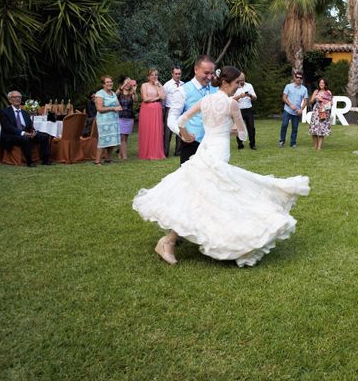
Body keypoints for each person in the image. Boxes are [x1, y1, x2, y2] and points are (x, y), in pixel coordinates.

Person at [133, 66, 310, 267]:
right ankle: (172, 241)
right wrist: (231, 129)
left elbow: (181, 119)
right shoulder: (231, 105)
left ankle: (180, 240)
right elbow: (242, 134)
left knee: (202, 195)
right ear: (227, 82)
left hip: (205, 150)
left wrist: (185, 134)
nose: (238, 88)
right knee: (211, 195)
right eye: (237, 84)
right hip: (217, 152)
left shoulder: (205, 100)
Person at [168, 55, 217, 164]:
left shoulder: (217, 89)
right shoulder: (182, 91)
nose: (209, 77)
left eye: (211, 73)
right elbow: (172, 118)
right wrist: (182, 133)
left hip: (214, 144)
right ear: (196, 70)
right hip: (192, 145)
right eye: (206, 73)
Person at [0, 90, 52, 167]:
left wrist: (33, 131)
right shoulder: (4, 112)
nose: (18, 99)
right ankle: (29, 162)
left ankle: (45, 160)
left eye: (19, 97)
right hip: (11, 135)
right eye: (15, 97)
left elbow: (30, 125)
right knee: (25, 138)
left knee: (45, 136)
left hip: (26, 133)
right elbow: (7, 127)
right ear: (10, 100)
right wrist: (23, 133)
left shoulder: (25, 113)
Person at [138, 68, 166, 160]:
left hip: (157, 109)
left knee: (157, 129)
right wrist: (157, 97)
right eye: (152, 75)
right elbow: (145, 99)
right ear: (148, 77)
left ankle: (157, 152)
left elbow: (164, 97)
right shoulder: (144, 85)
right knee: (147, 129)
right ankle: (147, 153)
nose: (154, 77)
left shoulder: (159, 85)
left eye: (156, 75)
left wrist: (158, 87)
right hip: (147, 109)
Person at [94, 76, 121, 165]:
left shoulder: (113, 93)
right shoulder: (100, 94)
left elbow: (118, 104)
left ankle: (108, 159)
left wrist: (119, 107)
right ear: (103, 84)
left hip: (114, 120)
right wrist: (113, 108)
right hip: (104, 121)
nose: (110, 83)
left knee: (113, 139)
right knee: (103, 139)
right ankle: (97, 161)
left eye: (111, 81)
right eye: (107, 82)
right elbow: (99, 108)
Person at [280, 71, 308, 148]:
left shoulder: (304, 89)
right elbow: (284, 98)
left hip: (297, 112)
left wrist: (301, 109)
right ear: (294, 78)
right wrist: (290, 105)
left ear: (302, 79)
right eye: (297, 77)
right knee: (284, 125)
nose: (299, 79)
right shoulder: (288, 86)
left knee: (295, 128)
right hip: (287, 110)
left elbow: (305, 101)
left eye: (300, 78)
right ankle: (282, 141)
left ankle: (293, 143)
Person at [162, 66, 184, 157]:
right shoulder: (167, 85)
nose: (178, 75)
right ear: (172, 74)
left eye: (179, 74)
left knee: (180, 130)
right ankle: (165, 152)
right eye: (176, 74)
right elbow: (163, 98)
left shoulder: (183, 84)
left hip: (181, 110)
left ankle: (178, 151)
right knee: (168, 132)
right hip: (170, 109)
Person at [233, 72, 257, 150]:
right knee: (239, 128)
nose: (242, 82)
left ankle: (252, 144)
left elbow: (255, 98)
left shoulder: (249, 86)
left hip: (248, 109)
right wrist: (240, 96)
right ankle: (240, 144)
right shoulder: (234, 86)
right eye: (240, 80)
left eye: (243, 80)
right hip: (238, 110)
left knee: (251, 127)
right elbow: (231, 99)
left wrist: (249, 95)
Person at [116, 76, 137, 160]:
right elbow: (115, 94)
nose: (128, 84)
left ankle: (120, 154)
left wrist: (134, 91)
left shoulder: (132, 93)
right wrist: (124, 84)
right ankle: (125, 157)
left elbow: (136, 100)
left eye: (129, 83)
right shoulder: (119, 93)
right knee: (122, 137)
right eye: (126, 82)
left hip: (129, 117)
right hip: (120, 117)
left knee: (126, 137)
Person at [308, 78, 333, 150]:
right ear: (318, 84)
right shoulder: (316, 91)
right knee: (314, 129)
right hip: (316, 112)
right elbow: (311, 102)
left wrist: (323, 101)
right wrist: (315, 97)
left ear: (325, 84)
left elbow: (331, 103)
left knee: (322, 129)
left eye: (323, 83)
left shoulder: (328, 92)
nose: (321, 84)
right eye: (320, 83)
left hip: (324, 112)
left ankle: (319, 147)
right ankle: (315, 146)